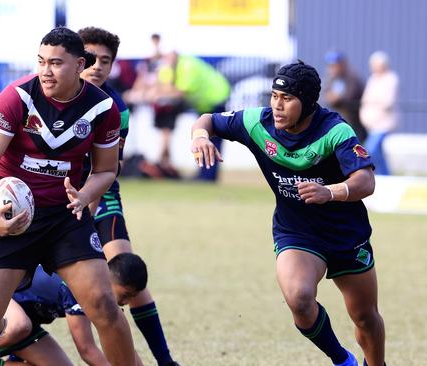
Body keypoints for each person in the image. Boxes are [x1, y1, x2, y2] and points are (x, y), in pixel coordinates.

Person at [0, 27, 136, 366]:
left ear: (79, 64)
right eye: (40, 62)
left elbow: (106, 171)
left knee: (104, 306)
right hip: (11, 217)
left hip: (65, 217)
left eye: (55, 63)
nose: (45, 71)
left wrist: (84, 197)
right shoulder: (17, 97)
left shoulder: (102, 109)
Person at [190, 61, 385, 366]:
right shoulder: (258, 123)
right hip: (297, 231)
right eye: (274, 96)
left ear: (307, 102)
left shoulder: (334, 130)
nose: (277, 106)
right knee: (299, 298)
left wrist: (329, 192)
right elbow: (207, 120)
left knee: (364, 317)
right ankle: (343, 361)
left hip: (346, 235)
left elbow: (366, 181)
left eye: (288, 99)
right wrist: (200, 136)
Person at [78, 26, 179, 366]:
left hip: (100, 193)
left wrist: (85, 207)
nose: (97, 66)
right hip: (51, 193)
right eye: (90, 58)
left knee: (125, 273)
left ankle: (165, 360)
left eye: (105, 61)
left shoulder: (116, 108)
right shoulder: (50, 93)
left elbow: (109, 169)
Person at [0, 253, 148, 366]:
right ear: (109, 279)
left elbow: (122, 346)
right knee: (19, 326)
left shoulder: (104, 298)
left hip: (21, 318)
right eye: (125, 295)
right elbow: (87, 350)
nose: (126, 303)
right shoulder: (82, 287)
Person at [155, 51, 230, 181]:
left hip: (215, 99)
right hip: (203, 105)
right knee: (202, 138)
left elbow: (180, 92)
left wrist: (155, 95)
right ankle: (204, 174)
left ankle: (207, 177)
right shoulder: (167, 67)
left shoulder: (188, 66)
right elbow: (161, 87)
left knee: (212, 139)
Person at [359, 51, 399, 176]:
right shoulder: (373, 79)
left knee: (371, 149)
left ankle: (382, 174)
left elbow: (387, 102)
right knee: (378, 151)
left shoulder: (391, 79)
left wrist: (373, 102)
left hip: (383, 124)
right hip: (372, 124)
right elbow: (366, 99)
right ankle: (384, 175)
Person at [323, 50, 366, 142]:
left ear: (343, 64)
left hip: (353, 121)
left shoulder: (352, 78)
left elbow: (349, 97)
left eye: (335, 65)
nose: (333, 68)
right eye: (331, 66)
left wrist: (336, 97)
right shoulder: (330, 79)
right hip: (335, 121)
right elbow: (325, 95)